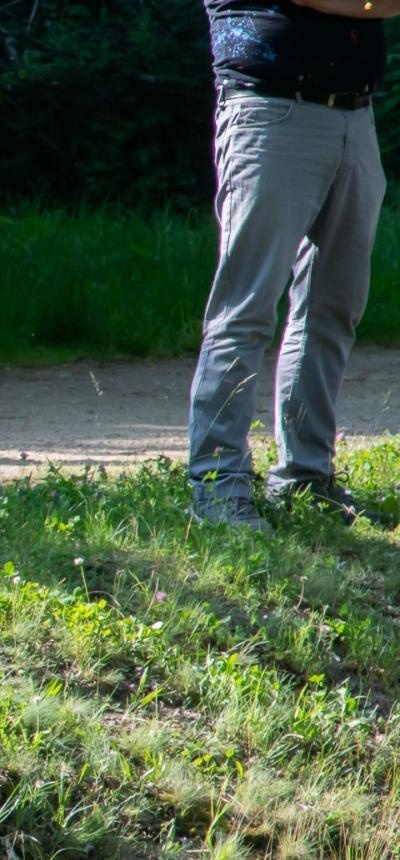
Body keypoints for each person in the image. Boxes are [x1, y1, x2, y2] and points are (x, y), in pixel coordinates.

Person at [188, 0, 399, 530]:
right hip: (270, 110)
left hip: (355, 113)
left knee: (334, 308)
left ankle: (305, 479)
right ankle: (218, 487)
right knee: (246, 309)